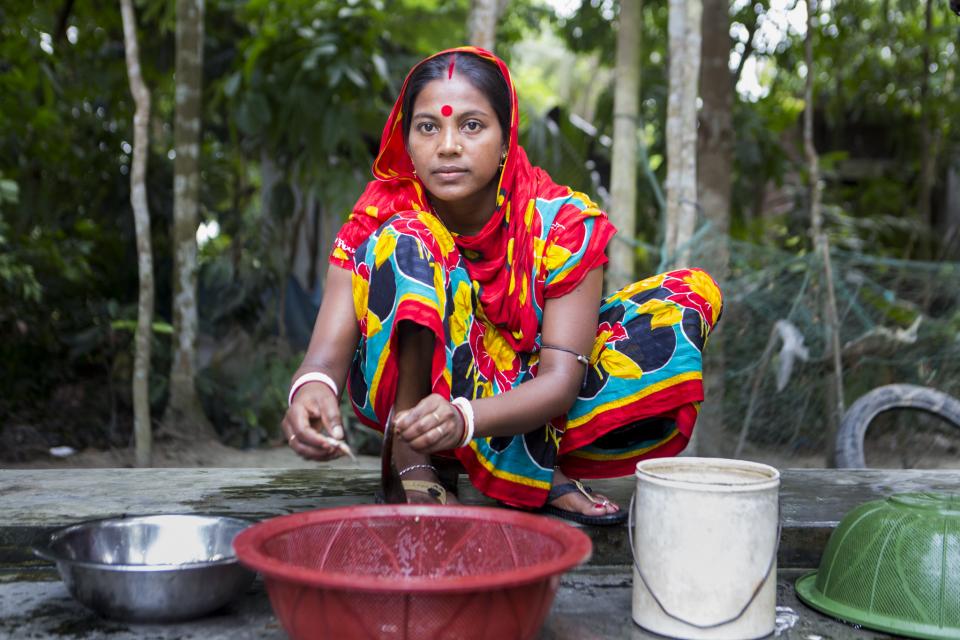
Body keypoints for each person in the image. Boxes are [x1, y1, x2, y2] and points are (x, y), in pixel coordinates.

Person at [281, 46, 722, 526]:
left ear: (506, 139)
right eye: (428, 127)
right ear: (407, 141)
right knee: (408, 238)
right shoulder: (381, 213)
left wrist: (464, 418)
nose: (448, 145)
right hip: (404, 390)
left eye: (471, 125)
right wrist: (312, 388)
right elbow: (325, 355)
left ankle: (528, 467)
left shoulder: (563, 224)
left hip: (522, 400)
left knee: (685, 296)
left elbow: (559, 380)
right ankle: (413, 455)